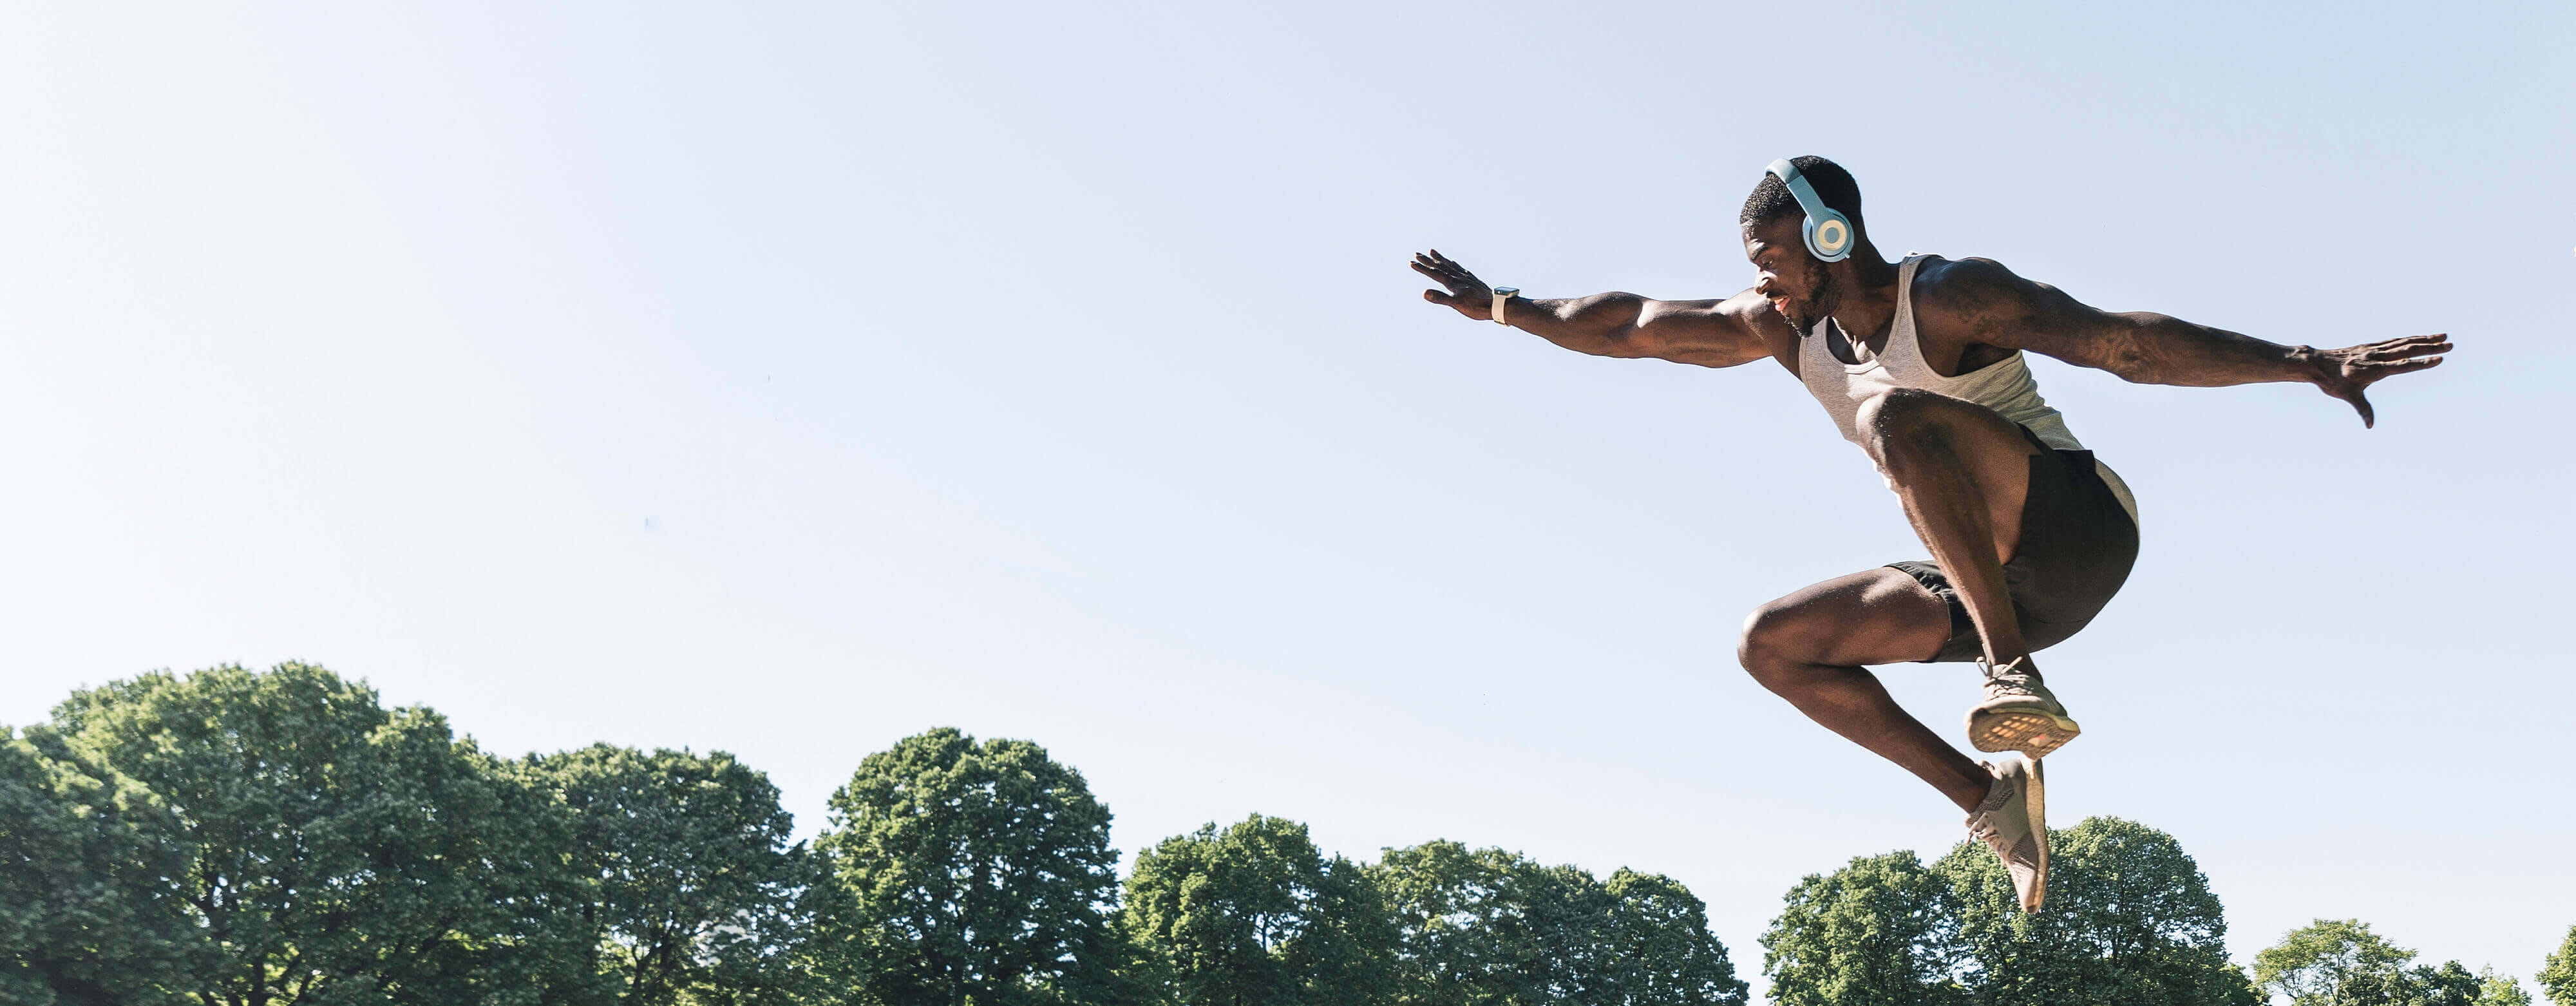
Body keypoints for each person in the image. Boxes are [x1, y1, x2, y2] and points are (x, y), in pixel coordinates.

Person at [1408, 156, 2448, 912]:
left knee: (1895, 417)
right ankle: (1991, 802)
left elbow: (2124, 345)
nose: (1765, 280)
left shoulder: (1949, 296)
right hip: (1992, 579)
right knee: (1771, 643)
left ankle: (2007, 674)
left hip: (2076, 530)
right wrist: (1504, 306)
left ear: (1829, 236)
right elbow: (1632, 324)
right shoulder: (1782, 326)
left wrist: (2308, 359)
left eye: (1774, 255)